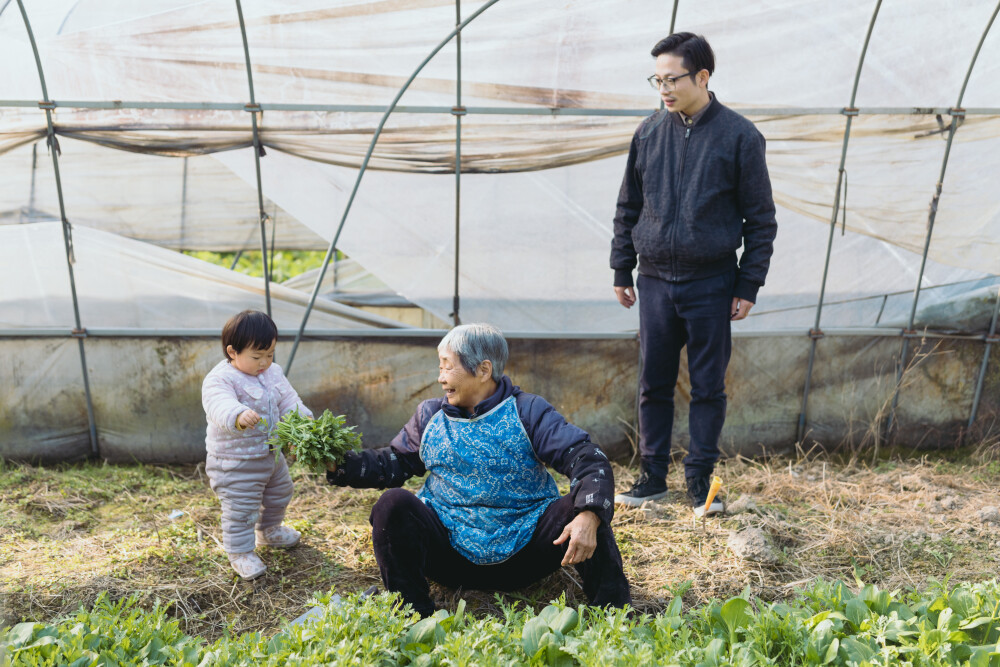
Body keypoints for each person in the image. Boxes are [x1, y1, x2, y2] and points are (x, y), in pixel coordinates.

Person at [326, 323, 631, 617]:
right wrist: (340, 464)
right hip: (449, 555)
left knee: (586, 505)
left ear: (483, 370)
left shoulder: (527, 412)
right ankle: (413, 614)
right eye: (440, 366)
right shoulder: (430, 416)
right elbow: (392, 463)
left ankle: (613, 613)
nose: (440, 378)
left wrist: (589, 516)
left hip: (527, 555)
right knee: (392, 505)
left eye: (447, 366)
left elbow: (586, 457)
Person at [610, 33, 777, 515]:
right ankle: (652, 477)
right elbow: (629, 206)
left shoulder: (740, 137)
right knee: (653, 383)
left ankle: (700, 482)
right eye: (656, 80)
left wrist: (748, 284)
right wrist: (623, 265)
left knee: (707, 387)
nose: (663, 88)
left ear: (702, 77)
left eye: (672, 79)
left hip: (712, 283)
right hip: (656, 281)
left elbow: (761, 220)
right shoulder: (647, 133)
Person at [202, 309, 313, 580]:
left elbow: (287, 399)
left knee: (281, 492)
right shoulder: (220, 379)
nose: (264, 362)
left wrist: (303, 419)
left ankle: (269, 530)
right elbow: (218, 404)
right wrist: (237, 415)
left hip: (270, 456)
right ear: (232, 352)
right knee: (241, 508)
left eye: (270, 354)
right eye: (256, 356)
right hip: (235, 463)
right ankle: (239, 552)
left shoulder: (273, 373)